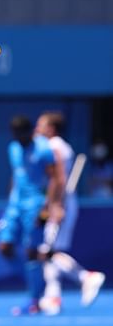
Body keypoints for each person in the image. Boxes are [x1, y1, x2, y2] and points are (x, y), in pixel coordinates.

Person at [35, 111, 105, 315]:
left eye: (41, 125)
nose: (37, 129)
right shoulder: (58, 146)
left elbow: (59, 179)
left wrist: (54, 205)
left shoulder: (54, 146)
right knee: (48, 251)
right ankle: (53, 298)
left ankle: (86, 277)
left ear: (51, 129)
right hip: (62, 202)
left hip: (61, 203)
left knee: (47, 252)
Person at [0, 115, 65, 316]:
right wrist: (10, 204)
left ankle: (34, 298)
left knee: (30, 252)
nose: (18, 137)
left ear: (29, 132)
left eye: (21, 134)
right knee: (5, 248)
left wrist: (48, 207)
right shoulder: (13, 148)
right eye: (15, 134)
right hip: (15, 205)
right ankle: (34, 281)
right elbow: (16, 176)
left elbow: (56, 180)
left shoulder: (44, 149)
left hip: (35, 204)